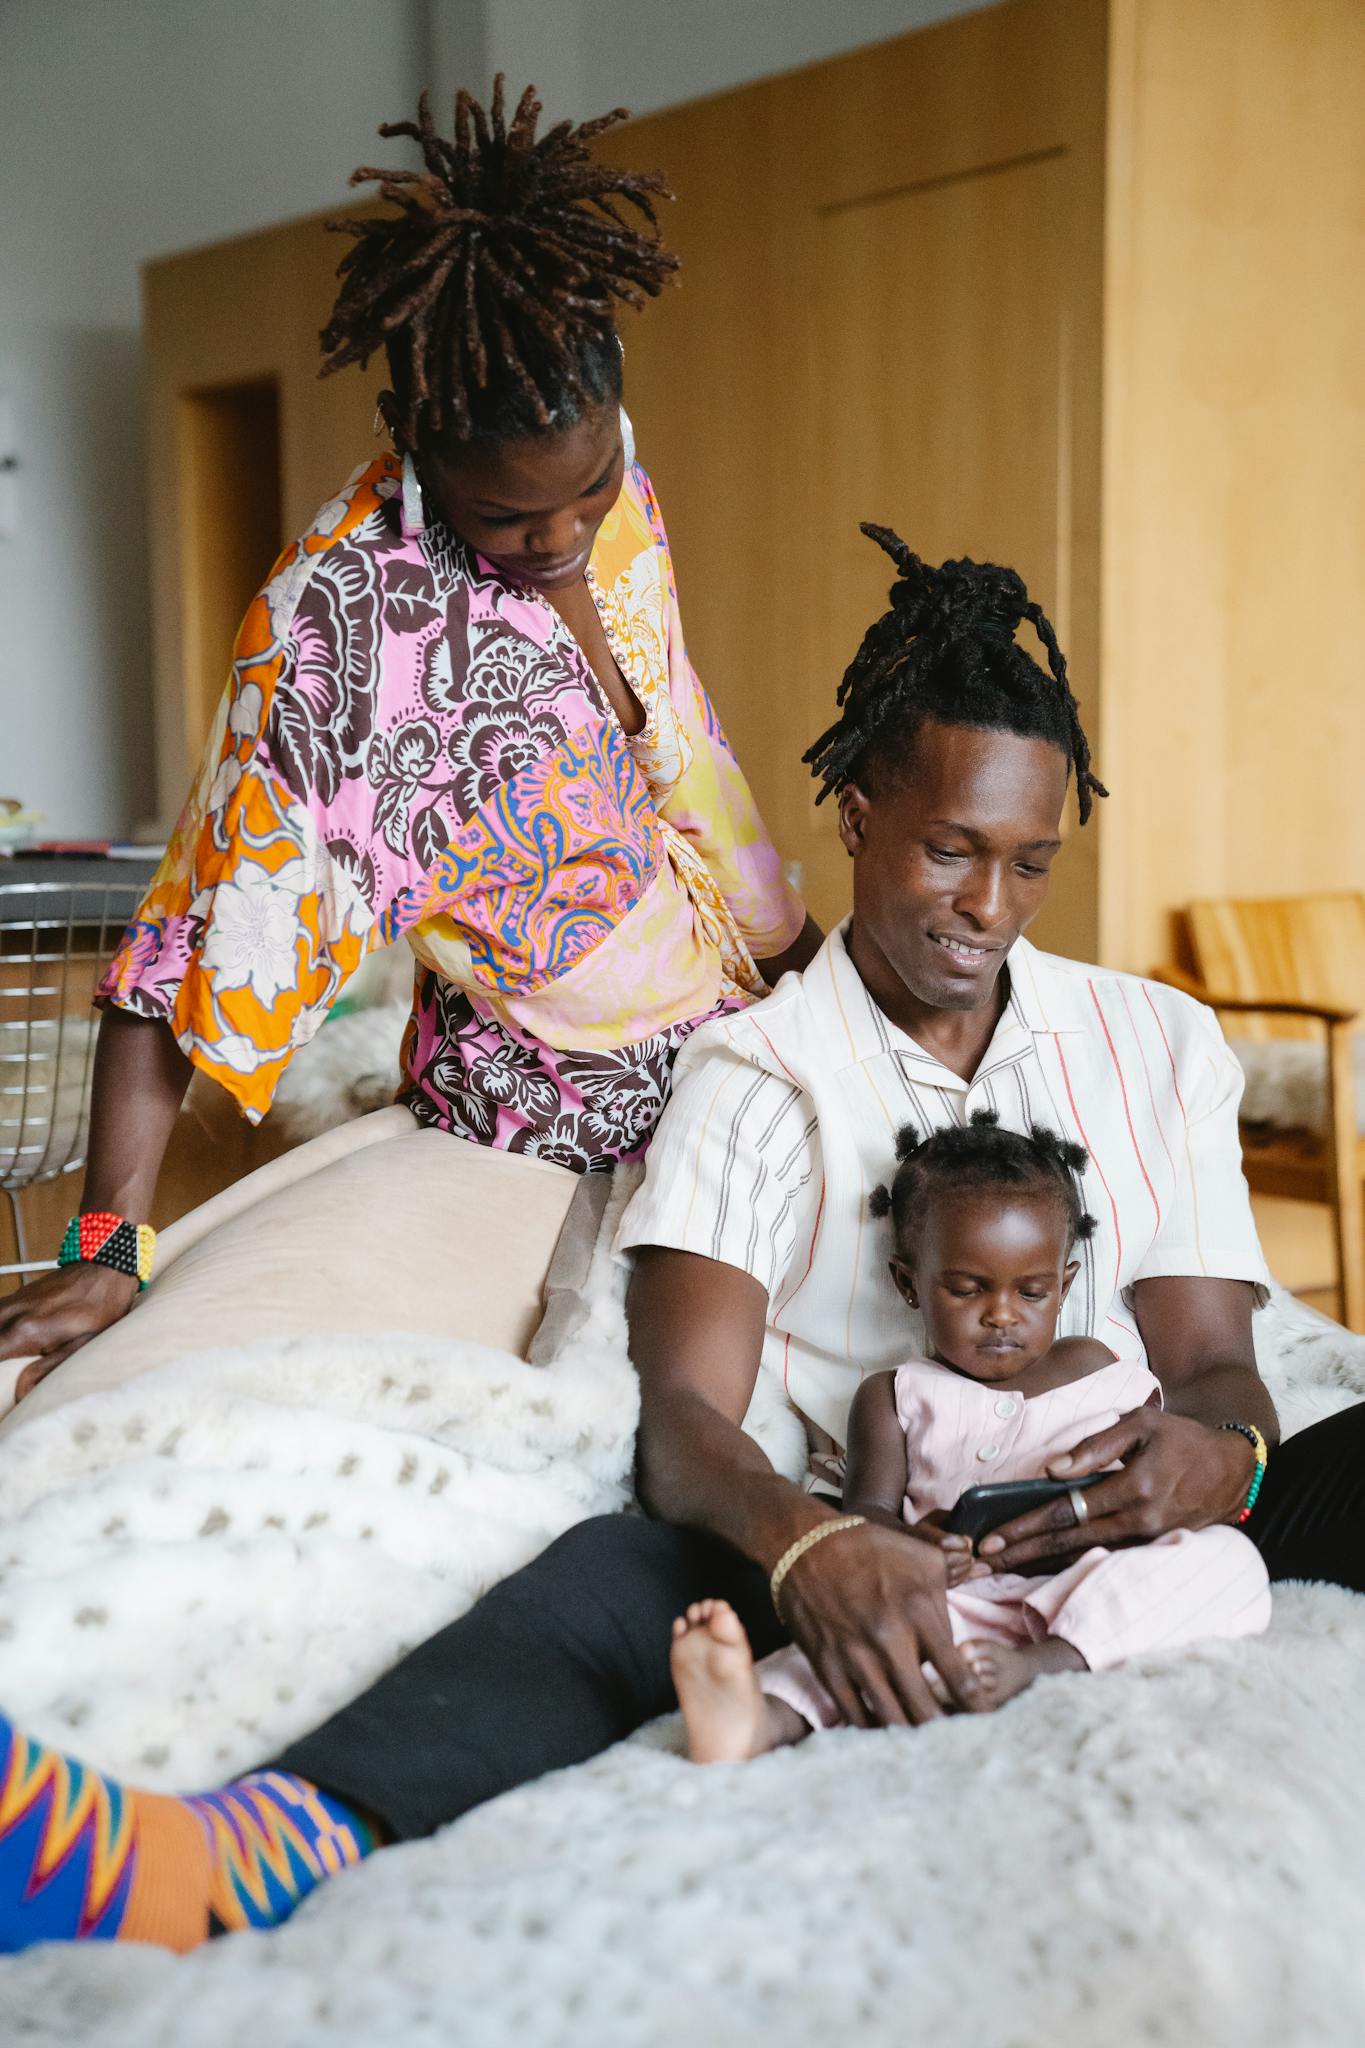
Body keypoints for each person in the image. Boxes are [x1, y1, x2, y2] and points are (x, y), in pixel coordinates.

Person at [5, 535, 1364, 1957]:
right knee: (606, 1578)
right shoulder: (758, 1072)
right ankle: (213, 1863)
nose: (987, 907)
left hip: (1129, 1525)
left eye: (1030, 865)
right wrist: (815, 1549)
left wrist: (1231, 1458)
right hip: (886, 1526)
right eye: (949, 850)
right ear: (853, 812)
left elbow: (1216, 1366)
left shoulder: (1153, 1043)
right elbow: (684, 1423)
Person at [0, 78, 815, 1402]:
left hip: (735, 1022)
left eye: (589, 487)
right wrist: (110, 1243)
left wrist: (799, 962)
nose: (559, 539)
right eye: (508, 520)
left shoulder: (602, 466)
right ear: (420, 445)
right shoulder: (340, 636)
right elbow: (187, 948)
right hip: (552, 1106)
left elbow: (684, 743)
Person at [669, 1113, 1273, 1763]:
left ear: (1063, 1285)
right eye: (966, 1289)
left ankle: (1047, 1662)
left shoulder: (1098, 1367)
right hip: (959, 1599)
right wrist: (914, 1545)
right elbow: (864, 1514)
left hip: (1092, 1581)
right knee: (864, 1630)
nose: (1001, 1314)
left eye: (1032, 1291)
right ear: (909, 1283)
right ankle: (759, 1720)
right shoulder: (892, 1396)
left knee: (1226, 1563)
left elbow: (1159, 1465)